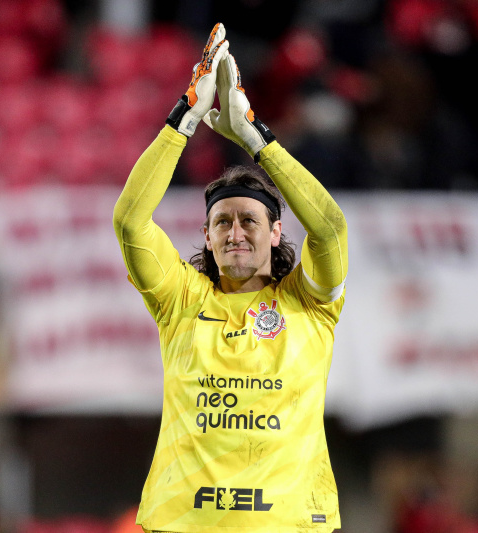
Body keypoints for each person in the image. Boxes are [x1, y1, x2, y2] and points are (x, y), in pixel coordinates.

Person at [113, 23, 348, 533]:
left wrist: (252, 136)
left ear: (276, 231)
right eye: (222, 221)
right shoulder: (179, 299)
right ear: (207, 234)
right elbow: (130, 221)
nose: (235, 232)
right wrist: (184, 120)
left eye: (249, 220)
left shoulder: (311, 303)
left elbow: (329, 229)